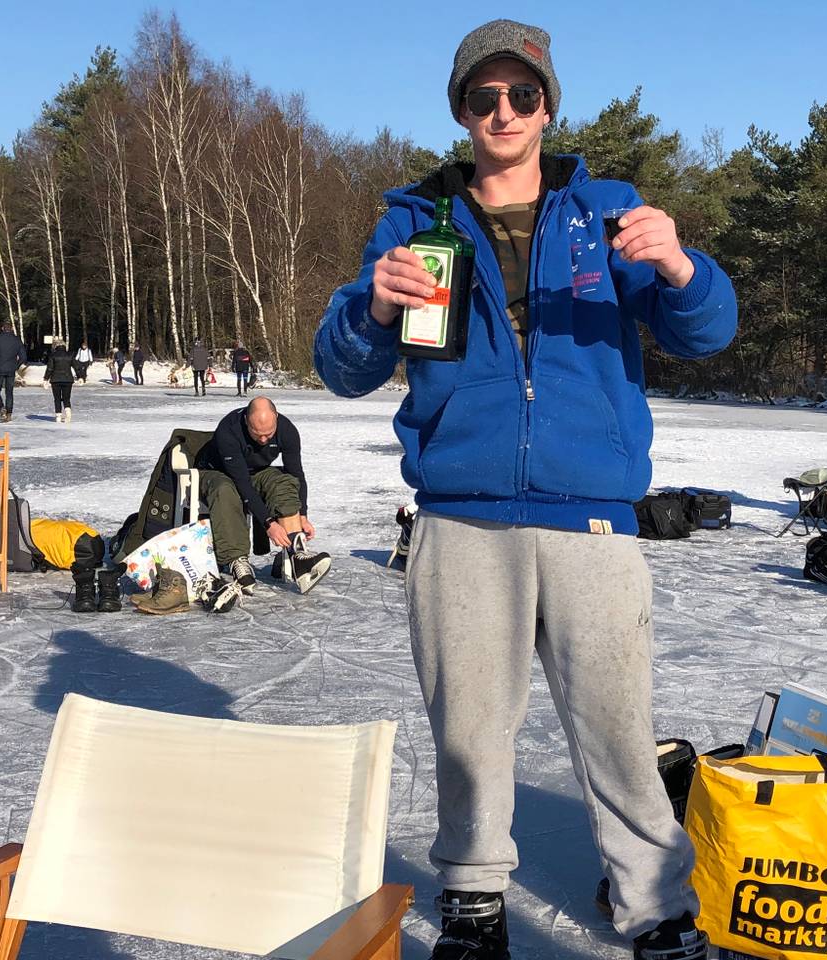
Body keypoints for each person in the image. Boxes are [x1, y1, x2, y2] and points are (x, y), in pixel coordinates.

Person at [314, 19, 737, 960]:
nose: (502, 112)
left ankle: (656, 907)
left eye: (522, 94)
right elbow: (341, 367)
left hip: (592, 516)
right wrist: (372, 308)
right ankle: (472, 906)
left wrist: (679, 265)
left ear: (547, 105)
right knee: (469, 732)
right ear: (461, 109)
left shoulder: (608, 210)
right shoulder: (414, 222)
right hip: (461, 517)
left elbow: (704, 332)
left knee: (621, 732)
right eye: (482, 96)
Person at [195, 396, 331, 598]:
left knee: (282, 481)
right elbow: (241, 482)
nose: (264, 440)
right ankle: (236, 560)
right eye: (257, 434)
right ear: (246, 422)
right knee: (226, 490)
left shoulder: (287, 430)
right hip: (217, 472)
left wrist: (303, 514)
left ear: (276, 418)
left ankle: (298, 557)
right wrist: (269, 523)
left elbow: (296, 473)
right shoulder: (228, 430)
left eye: (269, 434)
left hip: (256, 471)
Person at [0, 322, 27, 423]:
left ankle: (1, 408)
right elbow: (23, 357)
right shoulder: (17, 340)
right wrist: (16, 366)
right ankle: (9, 413)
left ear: (2, 328)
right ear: (11, 329)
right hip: (11, 369)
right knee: (9, 392)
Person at [43, 340, 76, 424]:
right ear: (65, 346)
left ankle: (58, 416)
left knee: (57, 398)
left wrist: (46, 379)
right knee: (66, 398)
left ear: (55, 346)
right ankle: (68, 412)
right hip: (68, 380)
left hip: (55, 380)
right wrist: (81, 377)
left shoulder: (53, 355)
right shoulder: (70, 355)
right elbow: (76, 366)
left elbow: (50, 368)